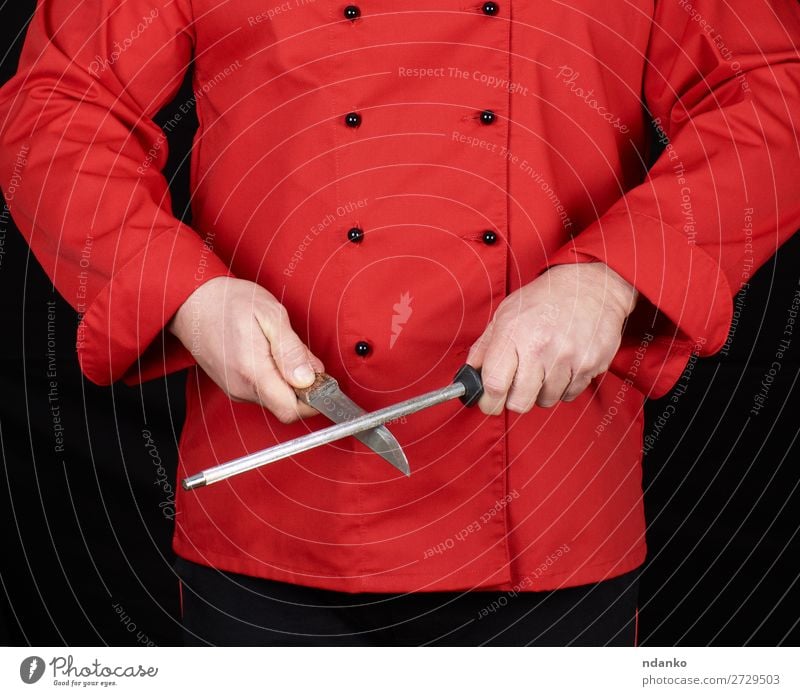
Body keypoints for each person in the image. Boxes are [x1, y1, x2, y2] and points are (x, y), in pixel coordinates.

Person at [1, 0, 798, 646]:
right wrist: (185, 295)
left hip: (550, 499)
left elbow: (776, 92)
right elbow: (60, 104)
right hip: (268, 495)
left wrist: (614, 278)